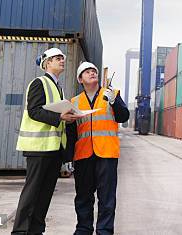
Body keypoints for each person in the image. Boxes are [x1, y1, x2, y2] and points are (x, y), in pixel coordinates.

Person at [13, 47, 81, 235]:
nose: (62, 60)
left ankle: (36, 230)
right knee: (32, 192)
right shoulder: (39, 83)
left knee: (44, 195)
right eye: (57, 58)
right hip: (38, 148)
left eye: (62, 58)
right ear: (47, 63)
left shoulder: (58, 87)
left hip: (53, 150)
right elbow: (34, 111)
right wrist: (60, 117)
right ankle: (20, 231)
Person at [67, 62, 129, 235]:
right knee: (83, 196)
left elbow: (123, 116)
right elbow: (71, 132)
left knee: (107, 197)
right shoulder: (74, 102)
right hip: (83, 154)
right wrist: (67, 158)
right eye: (87, 72)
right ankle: (83, 229)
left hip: (107, 153)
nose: (92, 73)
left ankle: (104, 231)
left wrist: (114, 101)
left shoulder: (112, 94)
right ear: (80, 79)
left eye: (94, 71)